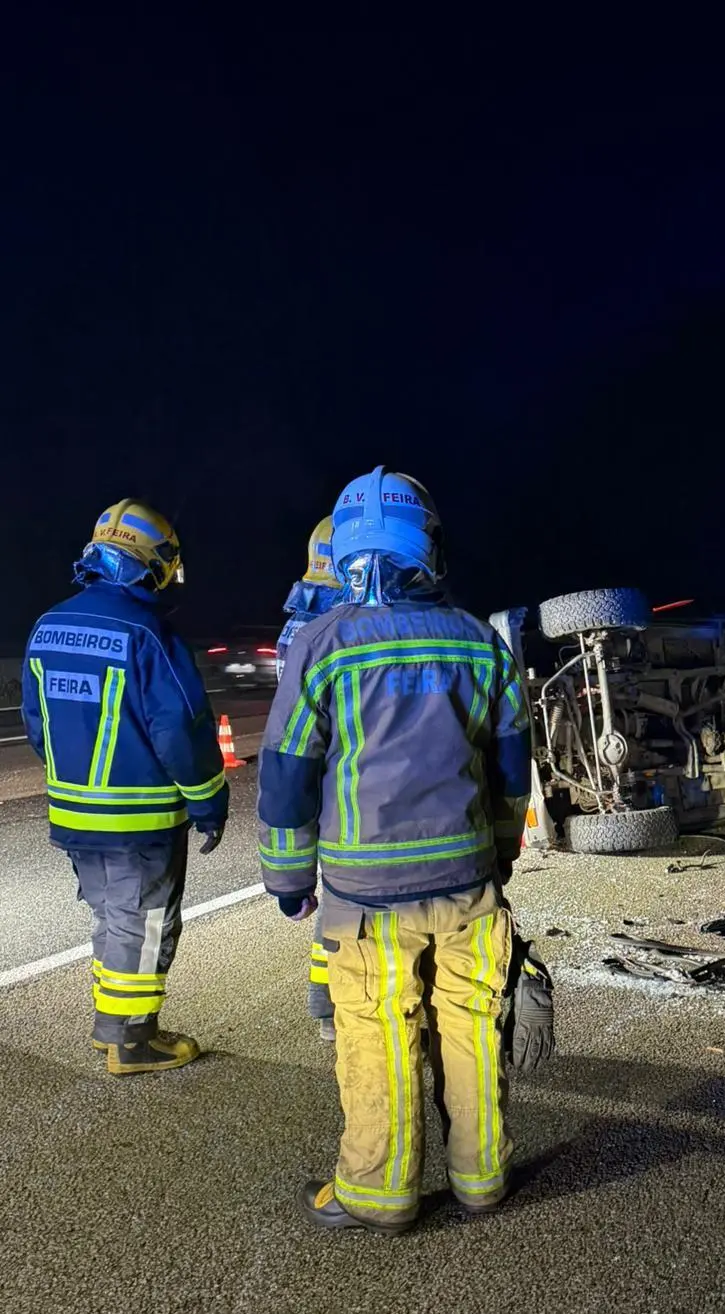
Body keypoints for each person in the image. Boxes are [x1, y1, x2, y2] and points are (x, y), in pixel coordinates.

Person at [257, 467, 545, 1233]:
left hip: (365, 899)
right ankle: (483, 1178)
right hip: (467, 884)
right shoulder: (479, 642)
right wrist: (503, 854)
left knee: (377, 1032)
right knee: (473, 1025)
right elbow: (511, 771)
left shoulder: (322, 644)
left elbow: (287, 773)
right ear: (430, 547)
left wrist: (288, 879)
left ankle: (379, 1193)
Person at [21, 500, 228, 1074]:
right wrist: (209, 800)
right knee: (146, 922)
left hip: (74, 814)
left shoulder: (47, 625)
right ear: (152, 562)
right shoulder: (148, 633)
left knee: (111, 915)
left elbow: (36, 722)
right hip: (142, 821)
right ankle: (134, 1041)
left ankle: (110, 1024)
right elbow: (181, 730)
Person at [276, 516, 343, 1042]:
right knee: (347, 899)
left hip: (311, 781)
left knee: (338, 896)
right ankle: (329, 1004)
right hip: (341, 782)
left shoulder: (297, 624)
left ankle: (326, 1004)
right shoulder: (338, 627)